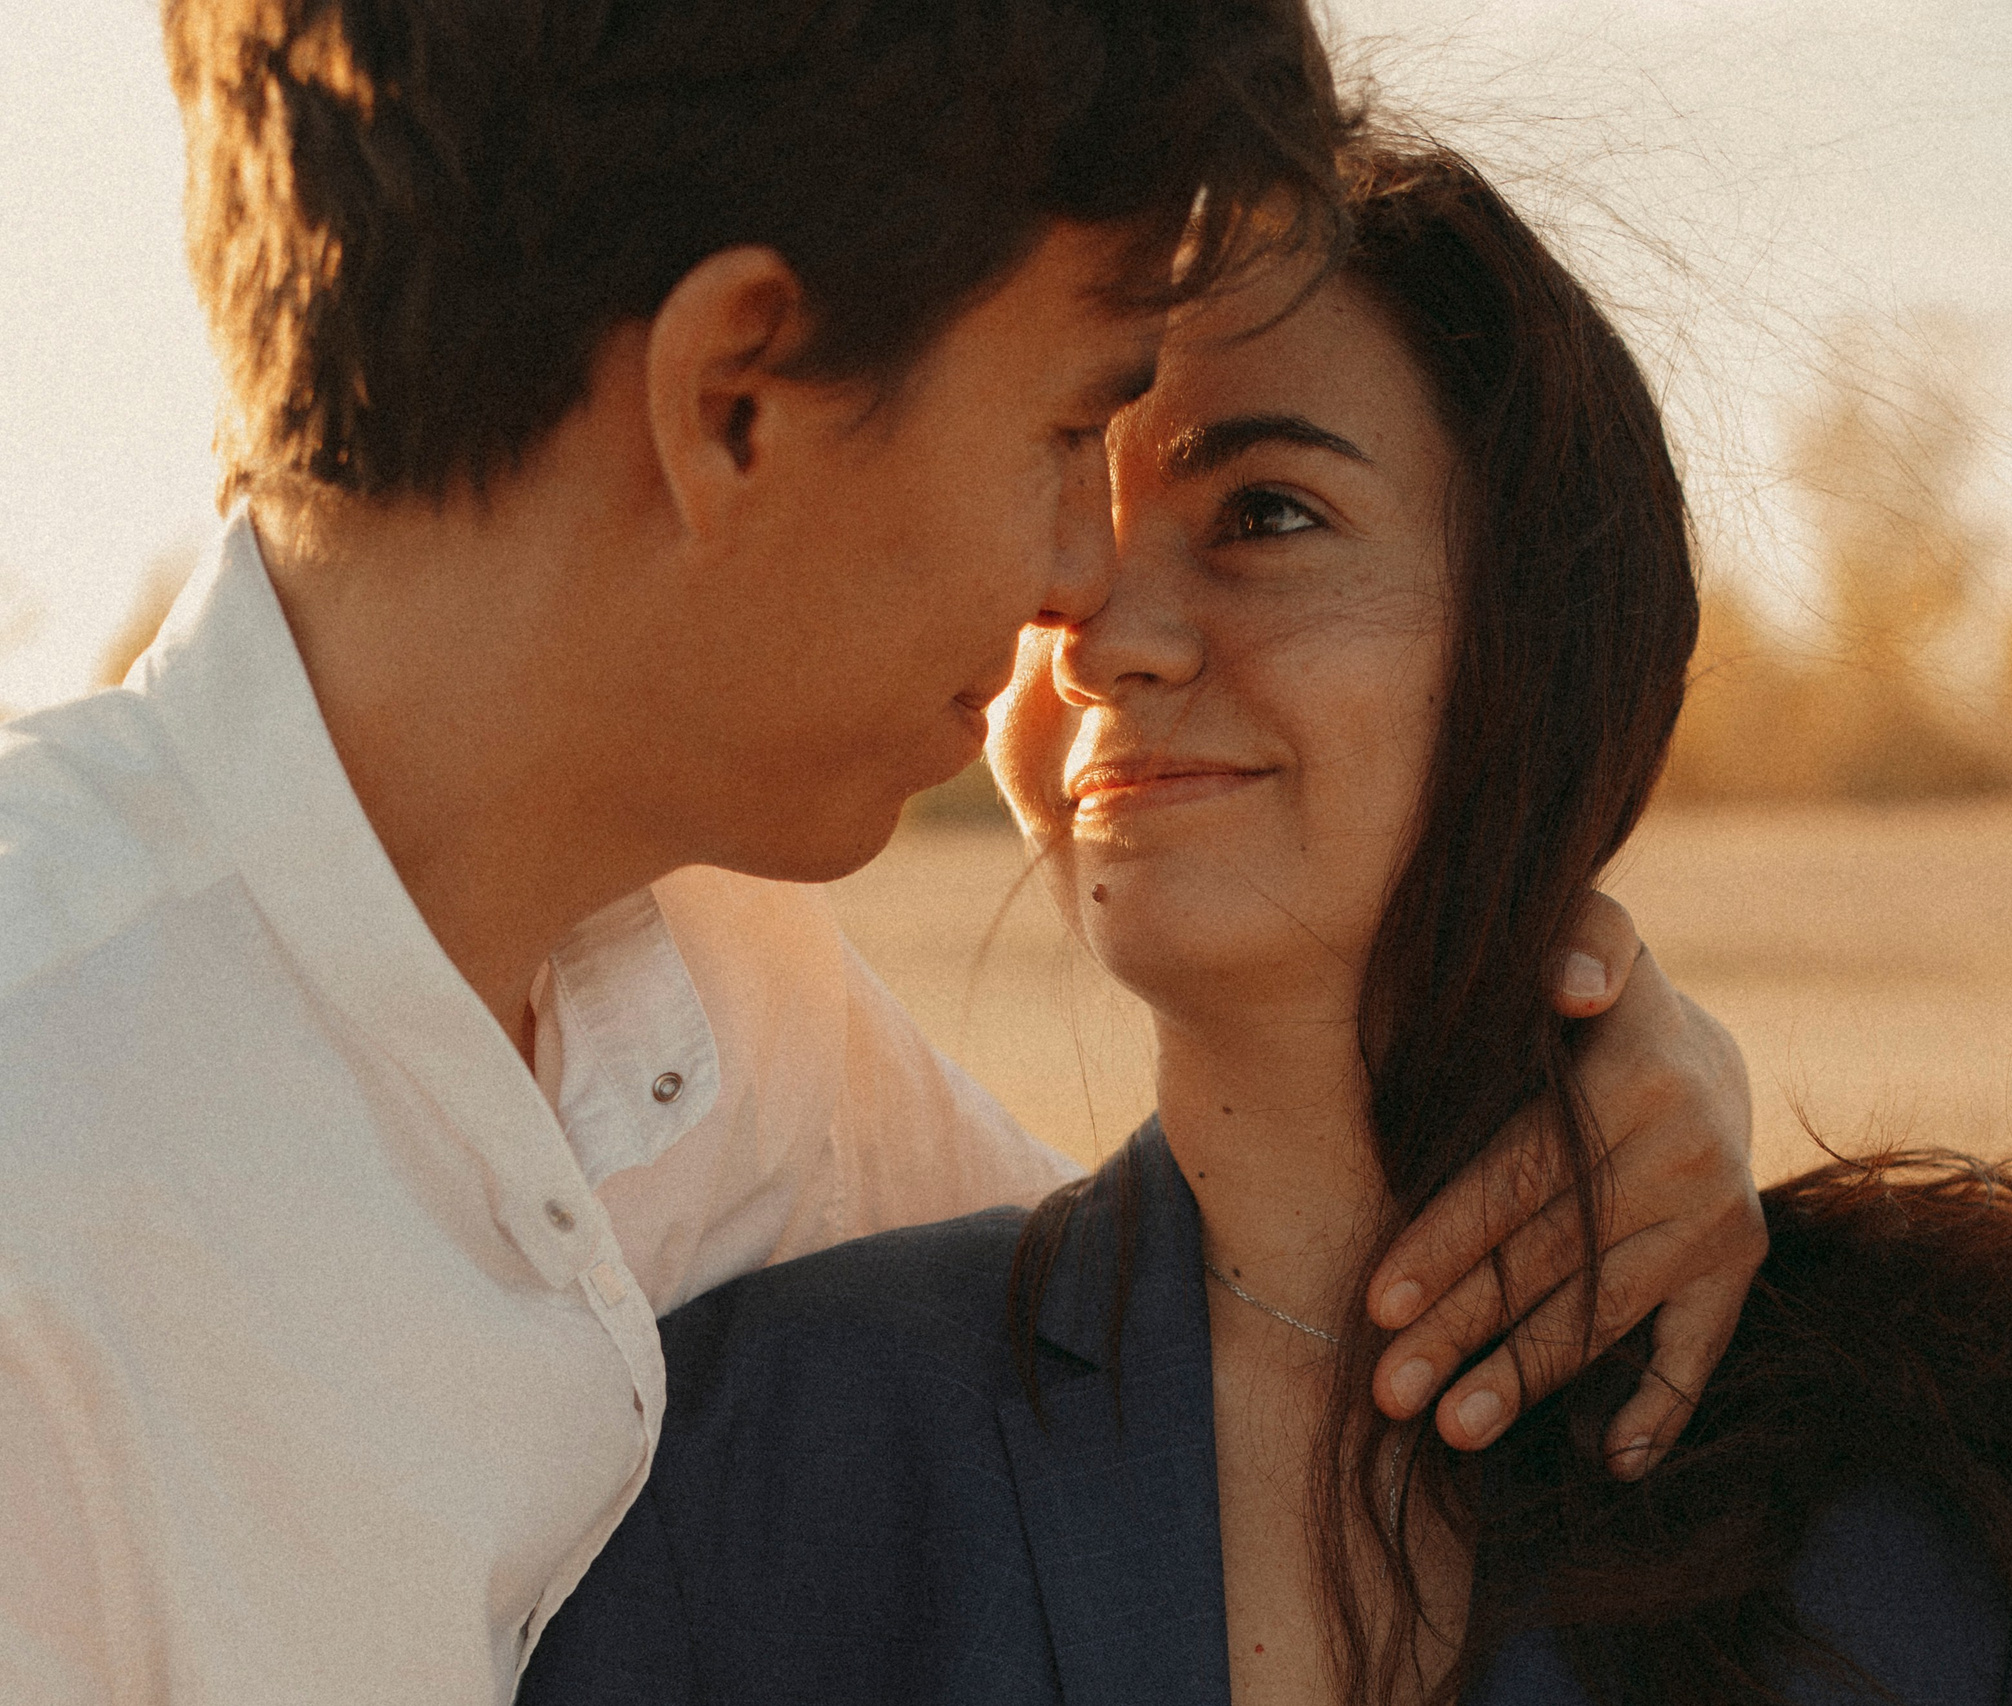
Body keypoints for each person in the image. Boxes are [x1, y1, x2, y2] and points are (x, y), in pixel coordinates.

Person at [0, 8, 1770, 1704]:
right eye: (1076, 425)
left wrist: (1593, 1066)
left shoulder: (719, 1007)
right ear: (734, 397)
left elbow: (1211, 1288)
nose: (1086, 582)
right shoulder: (45, 1169)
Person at [517, 144, 2012, 1706]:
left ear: (1535, 636)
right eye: (1067, 513)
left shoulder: (1913, 1501)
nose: (1105, 624)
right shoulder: (766, 1449)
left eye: (1261, 511)